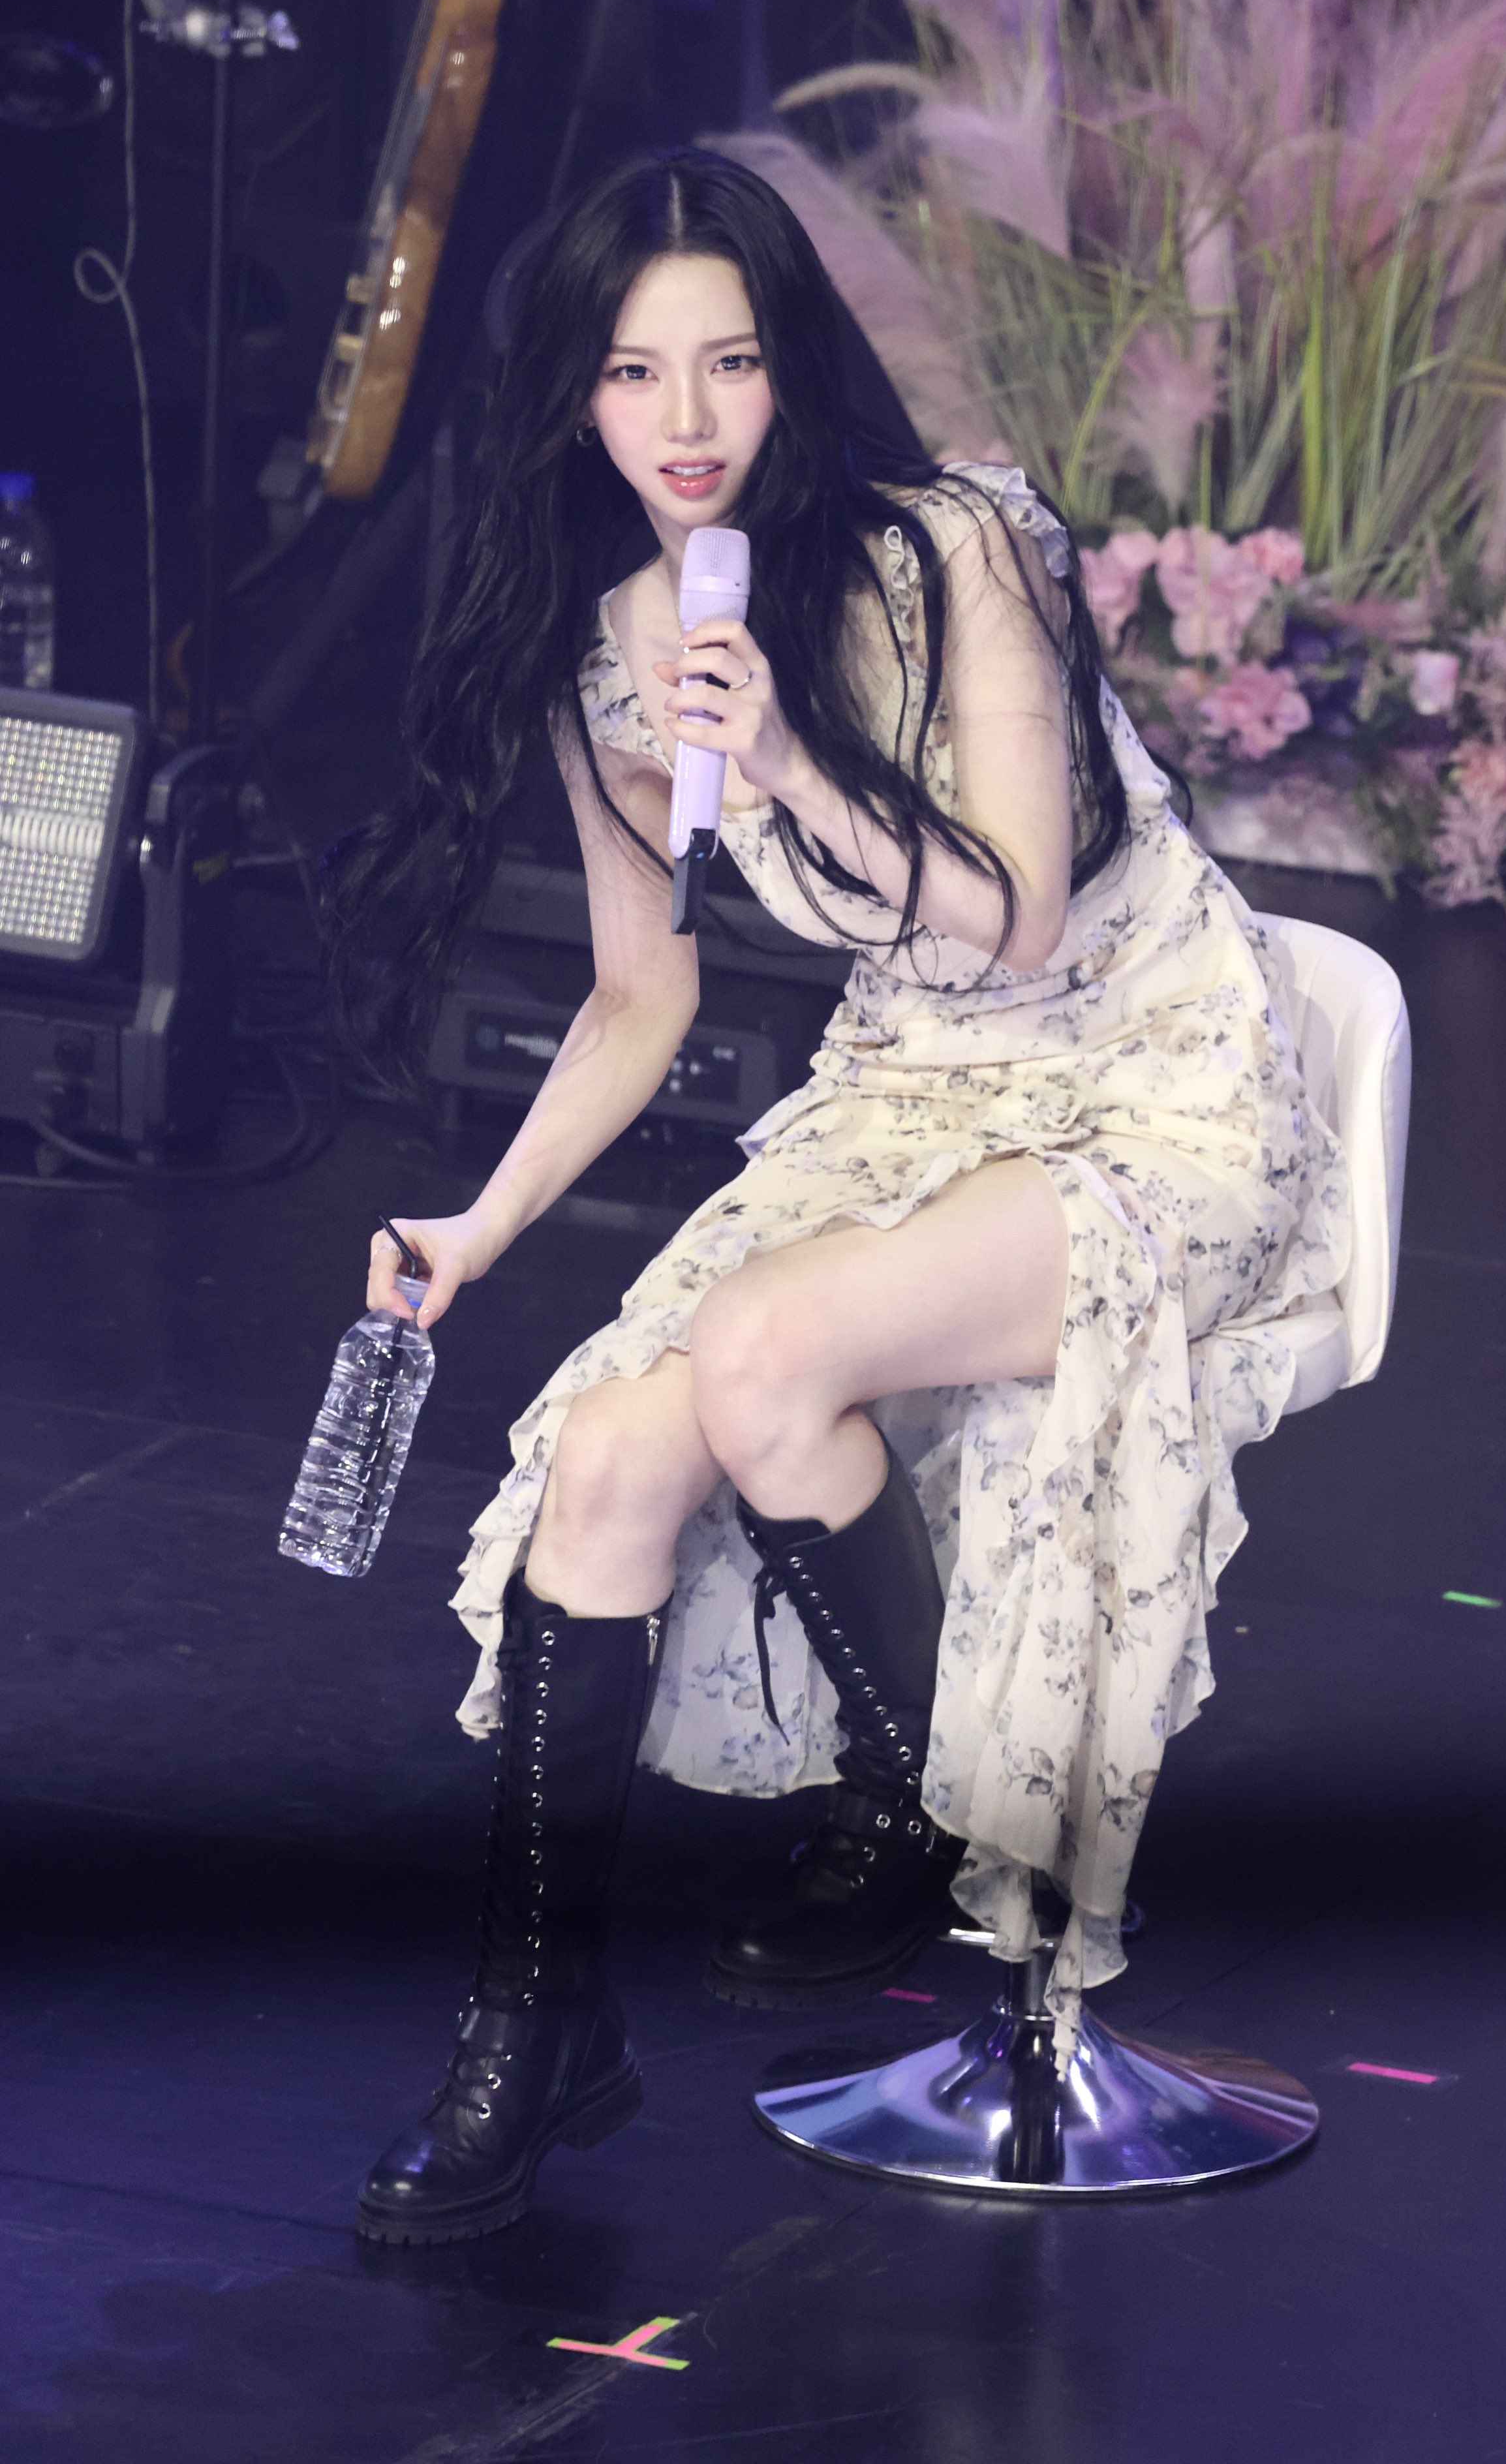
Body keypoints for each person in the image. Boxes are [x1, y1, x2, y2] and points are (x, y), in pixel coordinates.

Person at [324, 146, 1349, 2247]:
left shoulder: (953, 549)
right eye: (632, 373)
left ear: (792, 365)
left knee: (764, 1346)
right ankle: (532, 2035)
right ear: (579, 401)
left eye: (728, 361)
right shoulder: (611, 660)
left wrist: (792, 762)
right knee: (610, 1456)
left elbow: (1023, 916)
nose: (684, 419)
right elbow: (640, 996)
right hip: (907, 1096)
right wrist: (479, 1229)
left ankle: (910, 1817)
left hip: (1145, 1071)